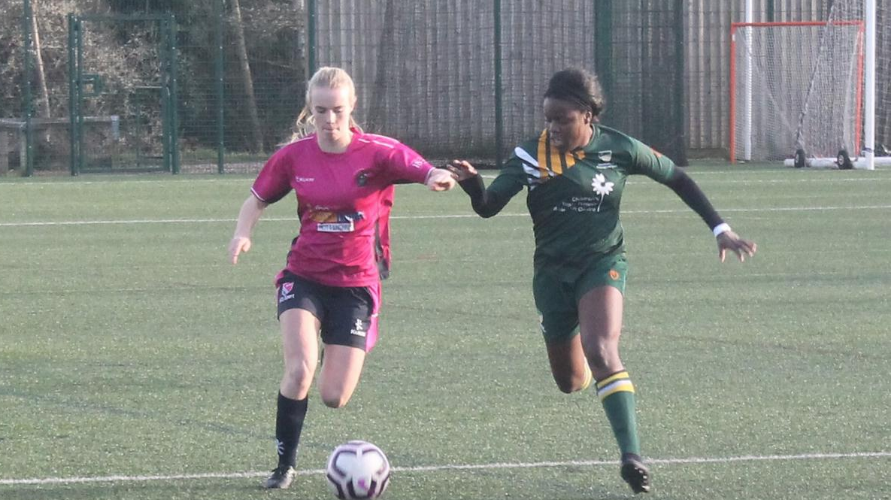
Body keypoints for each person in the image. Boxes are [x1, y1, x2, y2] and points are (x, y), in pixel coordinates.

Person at [446, 68, 757, 495]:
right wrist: (472, 185)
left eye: (562, 119)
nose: (553, 128)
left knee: (603, 348)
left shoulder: (619, 148)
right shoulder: (530, 155)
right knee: (571, 381)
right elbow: (487, 207)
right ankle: (594, 370)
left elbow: (677, 177)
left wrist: (719, 228)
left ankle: (632, 456)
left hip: (602, 263)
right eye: (548, 119)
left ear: (588, 116)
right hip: (552, 276)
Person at [228, 66, 456, 489]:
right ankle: (284, 466)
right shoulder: (294, 157)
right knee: (299, 370)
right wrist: (242, 233)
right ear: (309, 111)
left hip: (355, 284)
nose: (329, 120)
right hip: (304, 276)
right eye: (320, 111)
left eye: (337, 110)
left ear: (352, 108)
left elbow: (420, 168)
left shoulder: (377, 152)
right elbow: (255, 200)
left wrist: (435, 176)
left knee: (334, 396)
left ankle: (362, 329)